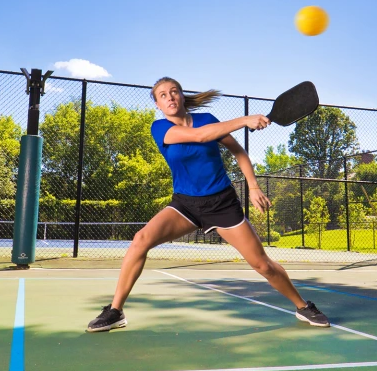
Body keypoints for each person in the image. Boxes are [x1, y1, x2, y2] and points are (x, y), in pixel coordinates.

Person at [87, 77, 329, 332]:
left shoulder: (209, 120)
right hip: (185, 205)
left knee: (262, 264)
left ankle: (303, 307)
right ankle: (115, 311)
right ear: (158, 104)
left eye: (173, 92)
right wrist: (244, 120)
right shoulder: (159, 128)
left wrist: (253, 186)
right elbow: (200, 137)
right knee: (140, 240)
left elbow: (238, 152)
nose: (169, 97)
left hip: (222, 203)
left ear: (181, 96)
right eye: (162, 95)